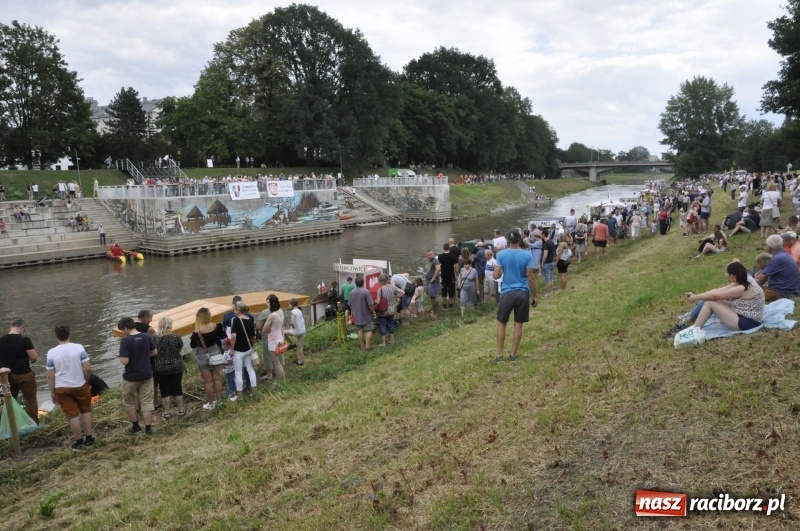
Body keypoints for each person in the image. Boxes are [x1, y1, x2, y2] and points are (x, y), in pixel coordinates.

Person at [45, 325, 94, 451]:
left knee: (72, 416)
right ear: (69, 333)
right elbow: (87, 368)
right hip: (80, 384)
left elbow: (50, 375)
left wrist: (52, 393)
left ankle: (78, 442)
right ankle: (89, 439)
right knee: (86, 410)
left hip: (62, 388)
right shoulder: (79, 348)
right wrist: (87, 382)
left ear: (56, 336)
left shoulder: (51, 352)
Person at [494, 229, 537, 363]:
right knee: (518, 325)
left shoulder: (501, 254)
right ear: (519, 240)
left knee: (502, 324)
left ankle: (499, 356)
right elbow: (530, 277)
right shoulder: (527, 255)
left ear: (508, 241)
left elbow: (495, 276)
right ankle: (513, 355)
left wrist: (503, 272)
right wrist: (535, 295)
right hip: (522, 292)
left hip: (507, 292)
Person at [684, 261, 764, 332]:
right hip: (745, 314)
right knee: (709, 299)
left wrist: (694, 298)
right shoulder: (746, 279)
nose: (728, 277)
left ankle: (694, 330)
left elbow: (715, 296)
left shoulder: (741, 288)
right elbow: (717, 291)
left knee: (710, 303)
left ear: (733, 276)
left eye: (728, 275)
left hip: (748, 322)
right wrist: (696, 296)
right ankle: (692, 321)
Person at [117, 317, 157, 435]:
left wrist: (120, 356)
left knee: (129, 401)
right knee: (147, 402)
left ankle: (135, 427)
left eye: (122, 330)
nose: (123, 333)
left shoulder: (125, 341)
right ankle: (148, 429)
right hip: (146, 374)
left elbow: (124, 361)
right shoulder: (146, 336)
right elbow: (155, 352)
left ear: (125, 328)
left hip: (131, 376)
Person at [0, 319, 40, 423]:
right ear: (21, 327)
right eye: (24, 329)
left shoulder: (1, 340)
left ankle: (12, 423)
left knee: (10, 400)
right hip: (24, 374)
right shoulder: (24, 339)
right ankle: (34, 422)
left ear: (11, 327)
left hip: (7, 376)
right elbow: (33, 358)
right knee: (30, 399)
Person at [189, 308, 226, 409]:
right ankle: (220, 401)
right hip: (216, 355)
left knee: (208, 382)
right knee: (217, 379)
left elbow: (192, 345)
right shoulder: (215, 326)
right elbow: (220, 338)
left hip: (203, 357)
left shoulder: (197, 331)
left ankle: (211, 403)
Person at [154, 317, 185, 418]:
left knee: (164, 390)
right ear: (169, 325)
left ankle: (166, 412)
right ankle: (181, 410)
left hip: (161, 368)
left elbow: (154, 352)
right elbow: (180, 348)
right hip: (176, 366)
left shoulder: (156, 339)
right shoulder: (176, 337)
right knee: (177, 388)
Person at [755, 234, 800, 301]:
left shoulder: (777, 259)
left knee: (748, 290)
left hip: (782, 294)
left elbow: (760, 279)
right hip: (790, 291)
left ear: (769, 247)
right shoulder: (784, 255)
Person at [228, 300, 257, 400]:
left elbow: (233, 336)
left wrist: (231, 349)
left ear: (238, 310)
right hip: (248, 349)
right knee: (250, 369)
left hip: (238, 351)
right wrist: (252, 346)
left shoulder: (235, 320)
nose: (233, 311)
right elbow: (253, 336)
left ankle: (239, 395)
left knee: (238, 372)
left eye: (234, 309)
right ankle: (254, 391)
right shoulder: (249, 319)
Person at [375, 274, 404, 347]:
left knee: (382, 325)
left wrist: (375, 301)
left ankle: (384, 343)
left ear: (380, 281)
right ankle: (392, 340)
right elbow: (403, 292)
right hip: (391, 310)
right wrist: (395, 296)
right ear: (388, 280)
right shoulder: (393, 287)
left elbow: (378, 301)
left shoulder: (380, 290)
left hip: (383, 311)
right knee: (391, 323)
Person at [262, 294, 286, 381]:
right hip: (279, 338)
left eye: (268, 302)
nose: (266, 304)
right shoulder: (280, 312)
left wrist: (268, 328)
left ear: (272, 303)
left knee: (276, 364)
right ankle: (283, 380)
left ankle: (280, 382)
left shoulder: (272, 315)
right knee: (279, 363)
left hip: (273, 342)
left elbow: (264, 328)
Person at [349, 277, 377, 350]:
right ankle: (367, 346)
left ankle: (362, 346)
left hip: (356, 315)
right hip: (366, 315)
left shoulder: (352, 292)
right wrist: (373, 312)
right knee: (369, 330)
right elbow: (370, 304)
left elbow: (349, 304)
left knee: (359, 330)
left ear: (355, 283)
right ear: (363, 283)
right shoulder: (366, 291)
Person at [283, 298, 306, 365]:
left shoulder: (293, 312)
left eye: (289, 304)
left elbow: (292, 322)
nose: (288, 305)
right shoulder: (299, 311)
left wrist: (292, 328)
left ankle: (292, 344)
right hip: (302, 330)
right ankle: (300, 361)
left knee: (283, 332)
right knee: (300, 346)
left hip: (297, 331)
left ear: (291, 304)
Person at [438, 243, 459, 309]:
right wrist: (457, 273)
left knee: (443, 288)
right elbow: (456, 266)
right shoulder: (453, 256)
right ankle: (450, 303)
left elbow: (439, 266)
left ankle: (444, 303)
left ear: (443, 248)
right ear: (449, 249)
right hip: (451, 274)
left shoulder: (440, 256)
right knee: (451, 289)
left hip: (443, 274)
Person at [425, 250, 441, 318]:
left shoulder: (435, 261)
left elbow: (438, 269)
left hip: (433, 282)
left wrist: (433, 278)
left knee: (433, 297)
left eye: (430, 254)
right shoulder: (430, 261)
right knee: (431, 297)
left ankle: (435, 313)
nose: (429, 256)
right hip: (429, 282)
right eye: (428, 255)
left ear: (433, 254)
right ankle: (433, 311)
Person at [540, 227, 556, 295]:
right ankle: (551, 291)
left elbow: (545, 255)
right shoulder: (551, 241)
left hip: (547, 263)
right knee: (551, 277)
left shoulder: (546, 243)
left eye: (541, 234)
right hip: (552, 261)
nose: (540, 235)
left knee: (548, 279)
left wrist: (542, 263)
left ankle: (548, 292)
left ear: (544, 235)